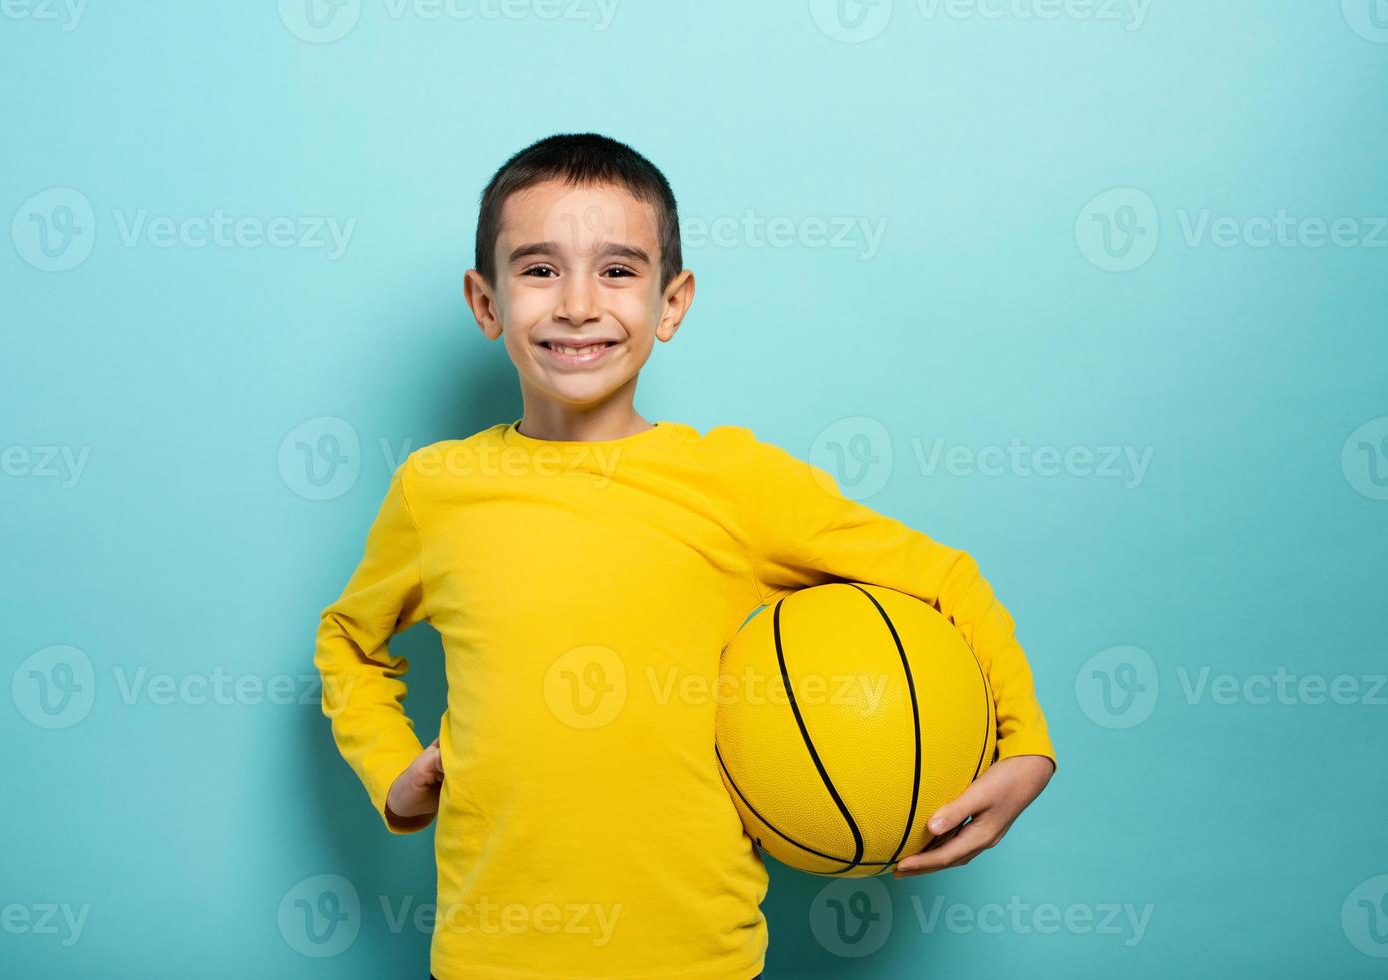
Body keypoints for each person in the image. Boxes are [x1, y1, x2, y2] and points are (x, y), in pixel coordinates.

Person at [314, 132, 1057, 979]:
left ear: (672, 303)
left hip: (699, 956)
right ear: (486, 303)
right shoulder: (436, 490)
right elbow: (348, 642)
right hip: (490, 954)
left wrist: (1022, 743)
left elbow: (944, 580)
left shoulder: (734, 482)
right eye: (539, 269)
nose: (578, 304)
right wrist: (390, 774)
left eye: (619, 270)